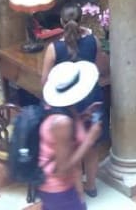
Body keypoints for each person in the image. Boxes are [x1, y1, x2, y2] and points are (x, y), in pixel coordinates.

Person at [40, 5, 105, 198]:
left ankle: (78, 193)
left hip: (66, 104)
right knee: (91, 146)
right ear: (82, 20)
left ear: (61, 22)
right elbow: (98, 68)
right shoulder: (93, 41)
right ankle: (91, 185)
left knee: (70, 146)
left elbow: (45, 81)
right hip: (92, 98)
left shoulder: (54, 49)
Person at [38, 61, 104, 210]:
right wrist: (89, 139)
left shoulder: (62, 108)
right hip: (57, 188)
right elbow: (62, 170)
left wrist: (82, 117)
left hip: (58, 185)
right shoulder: (63, 122)